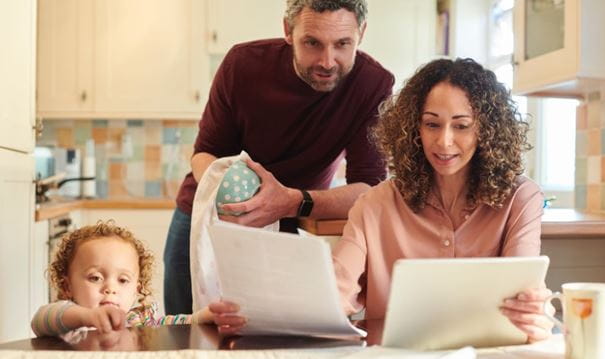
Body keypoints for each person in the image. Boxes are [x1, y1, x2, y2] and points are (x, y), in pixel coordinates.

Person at [206, 58, 554, 343]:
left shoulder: (520, 199)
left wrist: (538, 314)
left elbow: (525, 293)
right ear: (413, 129)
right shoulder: (375, 205)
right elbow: (334, 292)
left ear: (486, 130)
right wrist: (256, 310)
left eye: (461, 126)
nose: (444, 142)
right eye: (431, 124)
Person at [164, 0, 394, 314]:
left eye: (343, 44)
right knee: (188, 331)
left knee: (272, 333)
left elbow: (368, 189)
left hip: (291, 222)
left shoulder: (373, 84)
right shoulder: (242, 65)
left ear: (361, 34)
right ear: (288, 30)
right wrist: (236, 197)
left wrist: (290, 201)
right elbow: (205, 155)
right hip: (208, 217)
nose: (328, 61)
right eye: (312, 43)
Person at [31, 221, 216, 338]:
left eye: (123, 280)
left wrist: (199, 318)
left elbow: (169, 326)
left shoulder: (137, 321)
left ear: (137, 289)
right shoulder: (71, 323)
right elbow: (40, 320)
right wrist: (86, 317)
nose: (110, 288)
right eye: (95, 278)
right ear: (67, 286)